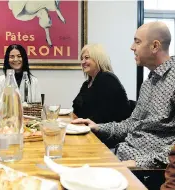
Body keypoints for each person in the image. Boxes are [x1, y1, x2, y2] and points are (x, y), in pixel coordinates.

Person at [72, 21, 175, 169]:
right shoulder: (149, 82)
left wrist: (138, 163)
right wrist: (98, 127)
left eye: (137, 42)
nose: (132, 47)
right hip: (122, 153)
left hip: (144, 169)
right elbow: (131, 124)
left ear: (155, 46)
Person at [72, 44, 132, 124]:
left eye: (86, 58)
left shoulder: (107, 79)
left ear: (98, 59)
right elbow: (76, 109)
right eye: (82, 59)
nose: (83, 62)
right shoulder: (86, 84)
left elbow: (105, 115)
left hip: (110, 132)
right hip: (91, 128)